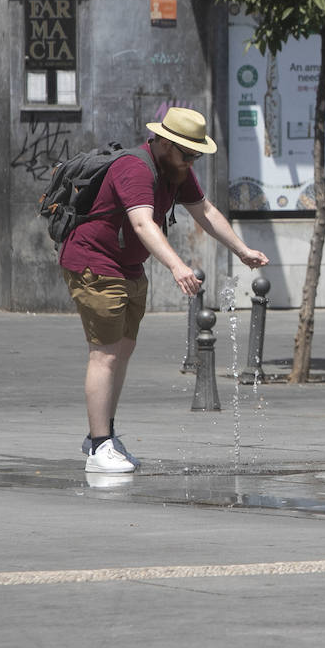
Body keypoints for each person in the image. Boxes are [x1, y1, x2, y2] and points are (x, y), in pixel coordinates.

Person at [60, 107, 269, 474]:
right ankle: (98, 446)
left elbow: (204, 210)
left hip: (128, 267)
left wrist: (242, 250)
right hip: (95, 263)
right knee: (105, 354)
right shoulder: (136, 169)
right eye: (187, 153)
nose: (192, 161)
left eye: (197, 154)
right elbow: (142, 223)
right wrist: (177, 266)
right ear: (164, 142)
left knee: (122, 350)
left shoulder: (176, 170)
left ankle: (103, 434)